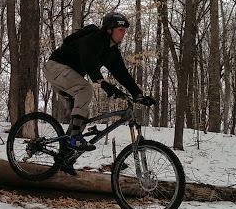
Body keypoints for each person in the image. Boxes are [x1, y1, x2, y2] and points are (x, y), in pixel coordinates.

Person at [44, 12, 156, 154]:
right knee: (85, 89)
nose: (124, 34)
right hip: (55, 67)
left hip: (67, 76)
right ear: (109, 30)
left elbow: (122, 74)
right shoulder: (94, 38)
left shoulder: (112, 51)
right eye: (121, 30)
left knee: (82, 116)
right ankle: (75, 139)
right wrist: (102, 82)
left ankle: (64, 157)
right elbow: (88, 61)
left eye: (125, 31)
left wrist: (138, 94)